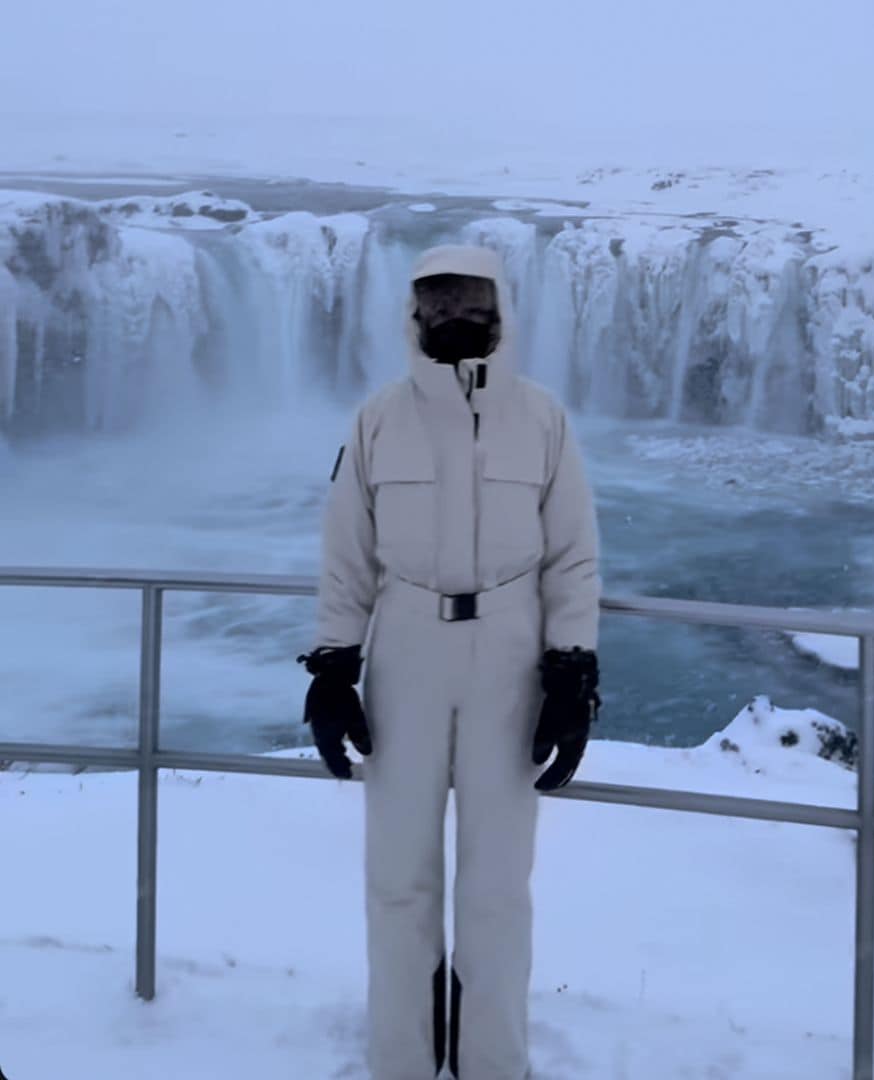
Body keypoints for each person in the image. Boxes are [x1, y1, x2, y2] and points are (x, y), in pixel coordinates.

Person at [298, 244, 602, 1080]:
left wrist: (571, 671)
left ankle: (492, 1062)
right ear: (413, 315)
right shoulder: (379, 420)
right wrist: (333, 667)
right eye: (437, 304)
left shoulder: (541, 420)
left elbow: (573, 556)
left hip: (510, 650)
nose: (454, 318)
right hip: (405, 646)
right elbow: (347, 553)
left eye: (471, 302)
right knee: (398, 873)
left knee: (498, 881)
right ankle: (400, 1058)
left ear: (502, 311)